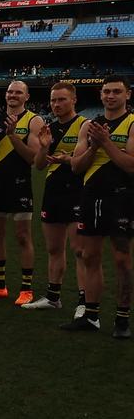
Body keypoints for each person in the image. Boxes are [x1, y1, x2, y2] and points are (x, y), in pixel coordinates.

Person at [64, 76, 134, 337]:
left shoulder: (132, 124)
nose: (110, 96)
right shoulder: (89, 126)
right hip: (91, 197)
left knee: (122, 259)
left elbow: (131, 166)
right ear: (100, 95)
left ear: (127, 95)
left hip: (122, 199)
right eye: (106, 91)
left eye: (117, 91)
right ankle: (91, 316)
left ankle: (122, 320)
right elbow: (76, 166)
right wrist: (94, 146)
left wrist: (106, 143)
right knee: (89, 256)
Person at [0, 81, 44, 304]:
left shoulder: (34, 120)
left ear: (27, 96)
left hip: (20, 183)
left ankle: (26, 289)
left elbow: (32, 158)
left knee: (23, 236)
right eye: (10, 92)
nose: (13, 95)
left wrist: (13, 136)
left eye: (18, 92)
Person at [25, 82, 87, 312]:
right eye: (53, 100)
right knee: (53, 249)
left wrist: (67, 159)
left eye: (62, 99)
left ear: (74, 100)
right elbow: (39, 166)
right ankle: (53, 297)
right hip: (53, 191)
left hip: (78, 192)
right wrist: (43, 148)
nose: (57, 104)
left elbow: (82, 164)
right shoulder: (49, 128)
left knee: (80, 250)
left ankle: (84, 301)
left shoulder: (85, 125)